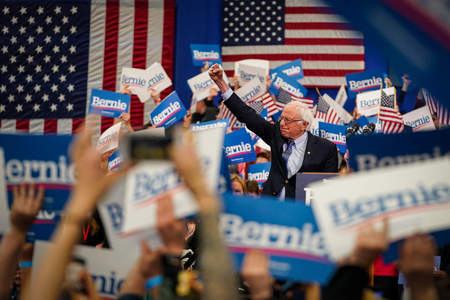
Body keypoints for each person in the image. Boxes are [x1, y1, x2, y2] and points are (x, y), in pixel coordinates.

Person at [208, 64, 338, 199]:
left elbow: (328, 188)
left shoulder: (326, 149)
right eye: (282, 118)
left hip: (300, 211)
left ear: (304, 125)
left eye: (288, 120)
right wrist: (220, 82)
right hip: (271, 205)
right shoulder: (276, 134)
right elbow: (247, 114)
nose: (282, 123)